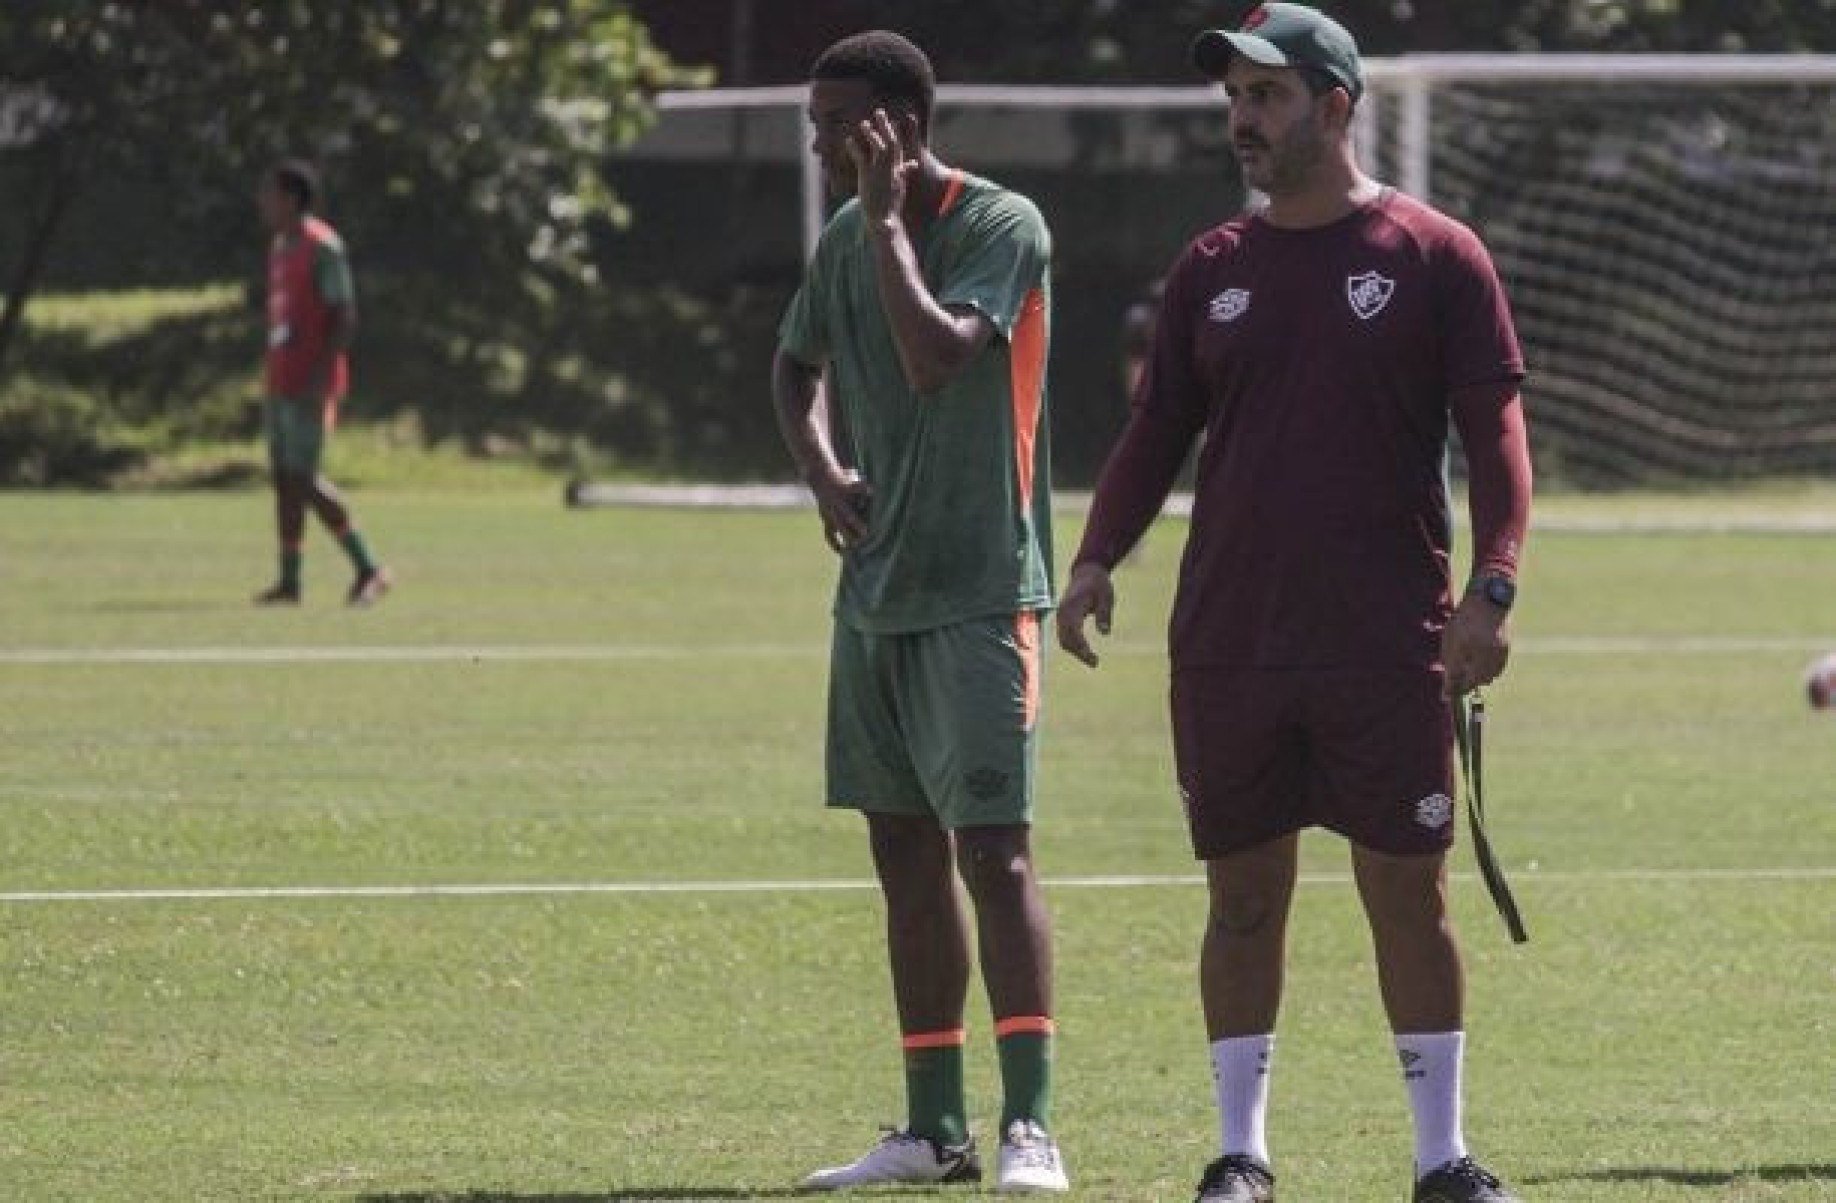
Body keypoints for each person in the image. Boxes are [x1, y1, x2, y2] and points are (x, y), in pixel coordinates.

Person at [1055, 6, 1532, 1202]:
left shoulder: (1435, 255)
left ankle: (1442, 1158)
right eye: (1233, 99)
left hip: (1389, 641)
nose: (1241, 120)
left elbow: (1499, 440)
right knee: (1241, 899)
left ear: (1334, 105)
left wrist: (1494, 587)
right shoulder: (1212, 268)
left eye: (1265, 97)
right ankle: (1241, 1152)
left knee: (1409, 896)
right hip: (1231, 644)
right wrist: (1096, 555)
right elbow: (1155, 428)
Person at [770, 30, 1067, 1195]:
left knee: (994, 856)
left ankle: (1029, 1127)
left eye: (836, 121)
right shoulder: (845, 237)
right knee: (903, 855)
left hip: (985, 594)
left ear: (897, 123)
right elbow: (795, 365)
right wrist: (825, 470)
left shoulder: (1003, 226)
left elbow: (938, 355)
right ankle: (933, 1130)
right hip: (876, 599)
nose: (819, 141)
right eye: (813, 120)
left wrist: (891, 223)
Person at [253, 159, 390, 607]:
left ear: (291, 199)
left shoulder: (322, 246)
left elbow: (344, 315)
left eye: (270, 194)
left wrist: (320, 375)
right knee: (283, 480)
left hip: (311, 381)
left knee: (304, 479)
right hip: (281, 378)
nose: (264, 202)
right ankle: (289, 580)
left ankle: (369, 568)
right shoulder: (279, 246)